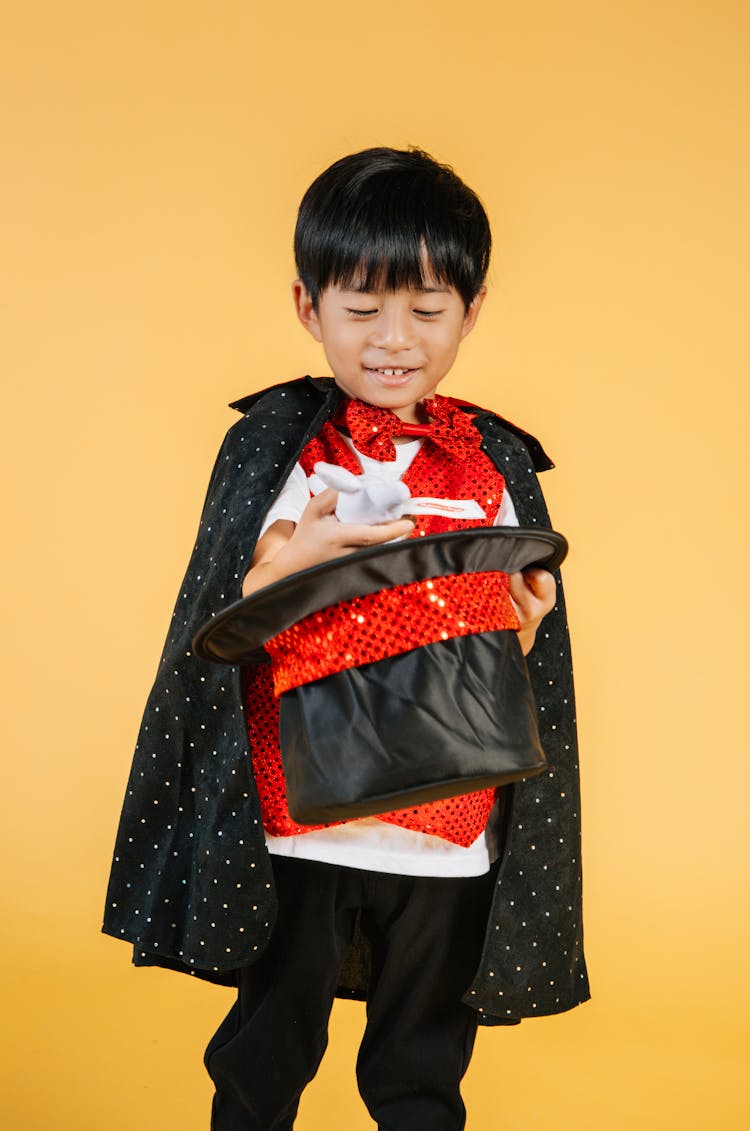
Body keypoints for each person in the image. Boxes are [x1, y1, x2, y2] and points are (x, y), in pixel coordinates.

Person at [103, 146, 589, 1130]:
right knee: (271, 1037)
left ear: (472, 309)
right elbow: (231, 608)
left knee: (423, 1055)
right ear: (307, 307)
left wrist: (522, 625)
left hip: (452, 816)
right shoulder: (285, 446)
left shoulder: (491, 460)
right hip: (304, 809)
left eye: (426, 310)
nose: (394, 340)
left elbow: (512, 638)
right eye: (362, 311)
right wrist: (298, 559)